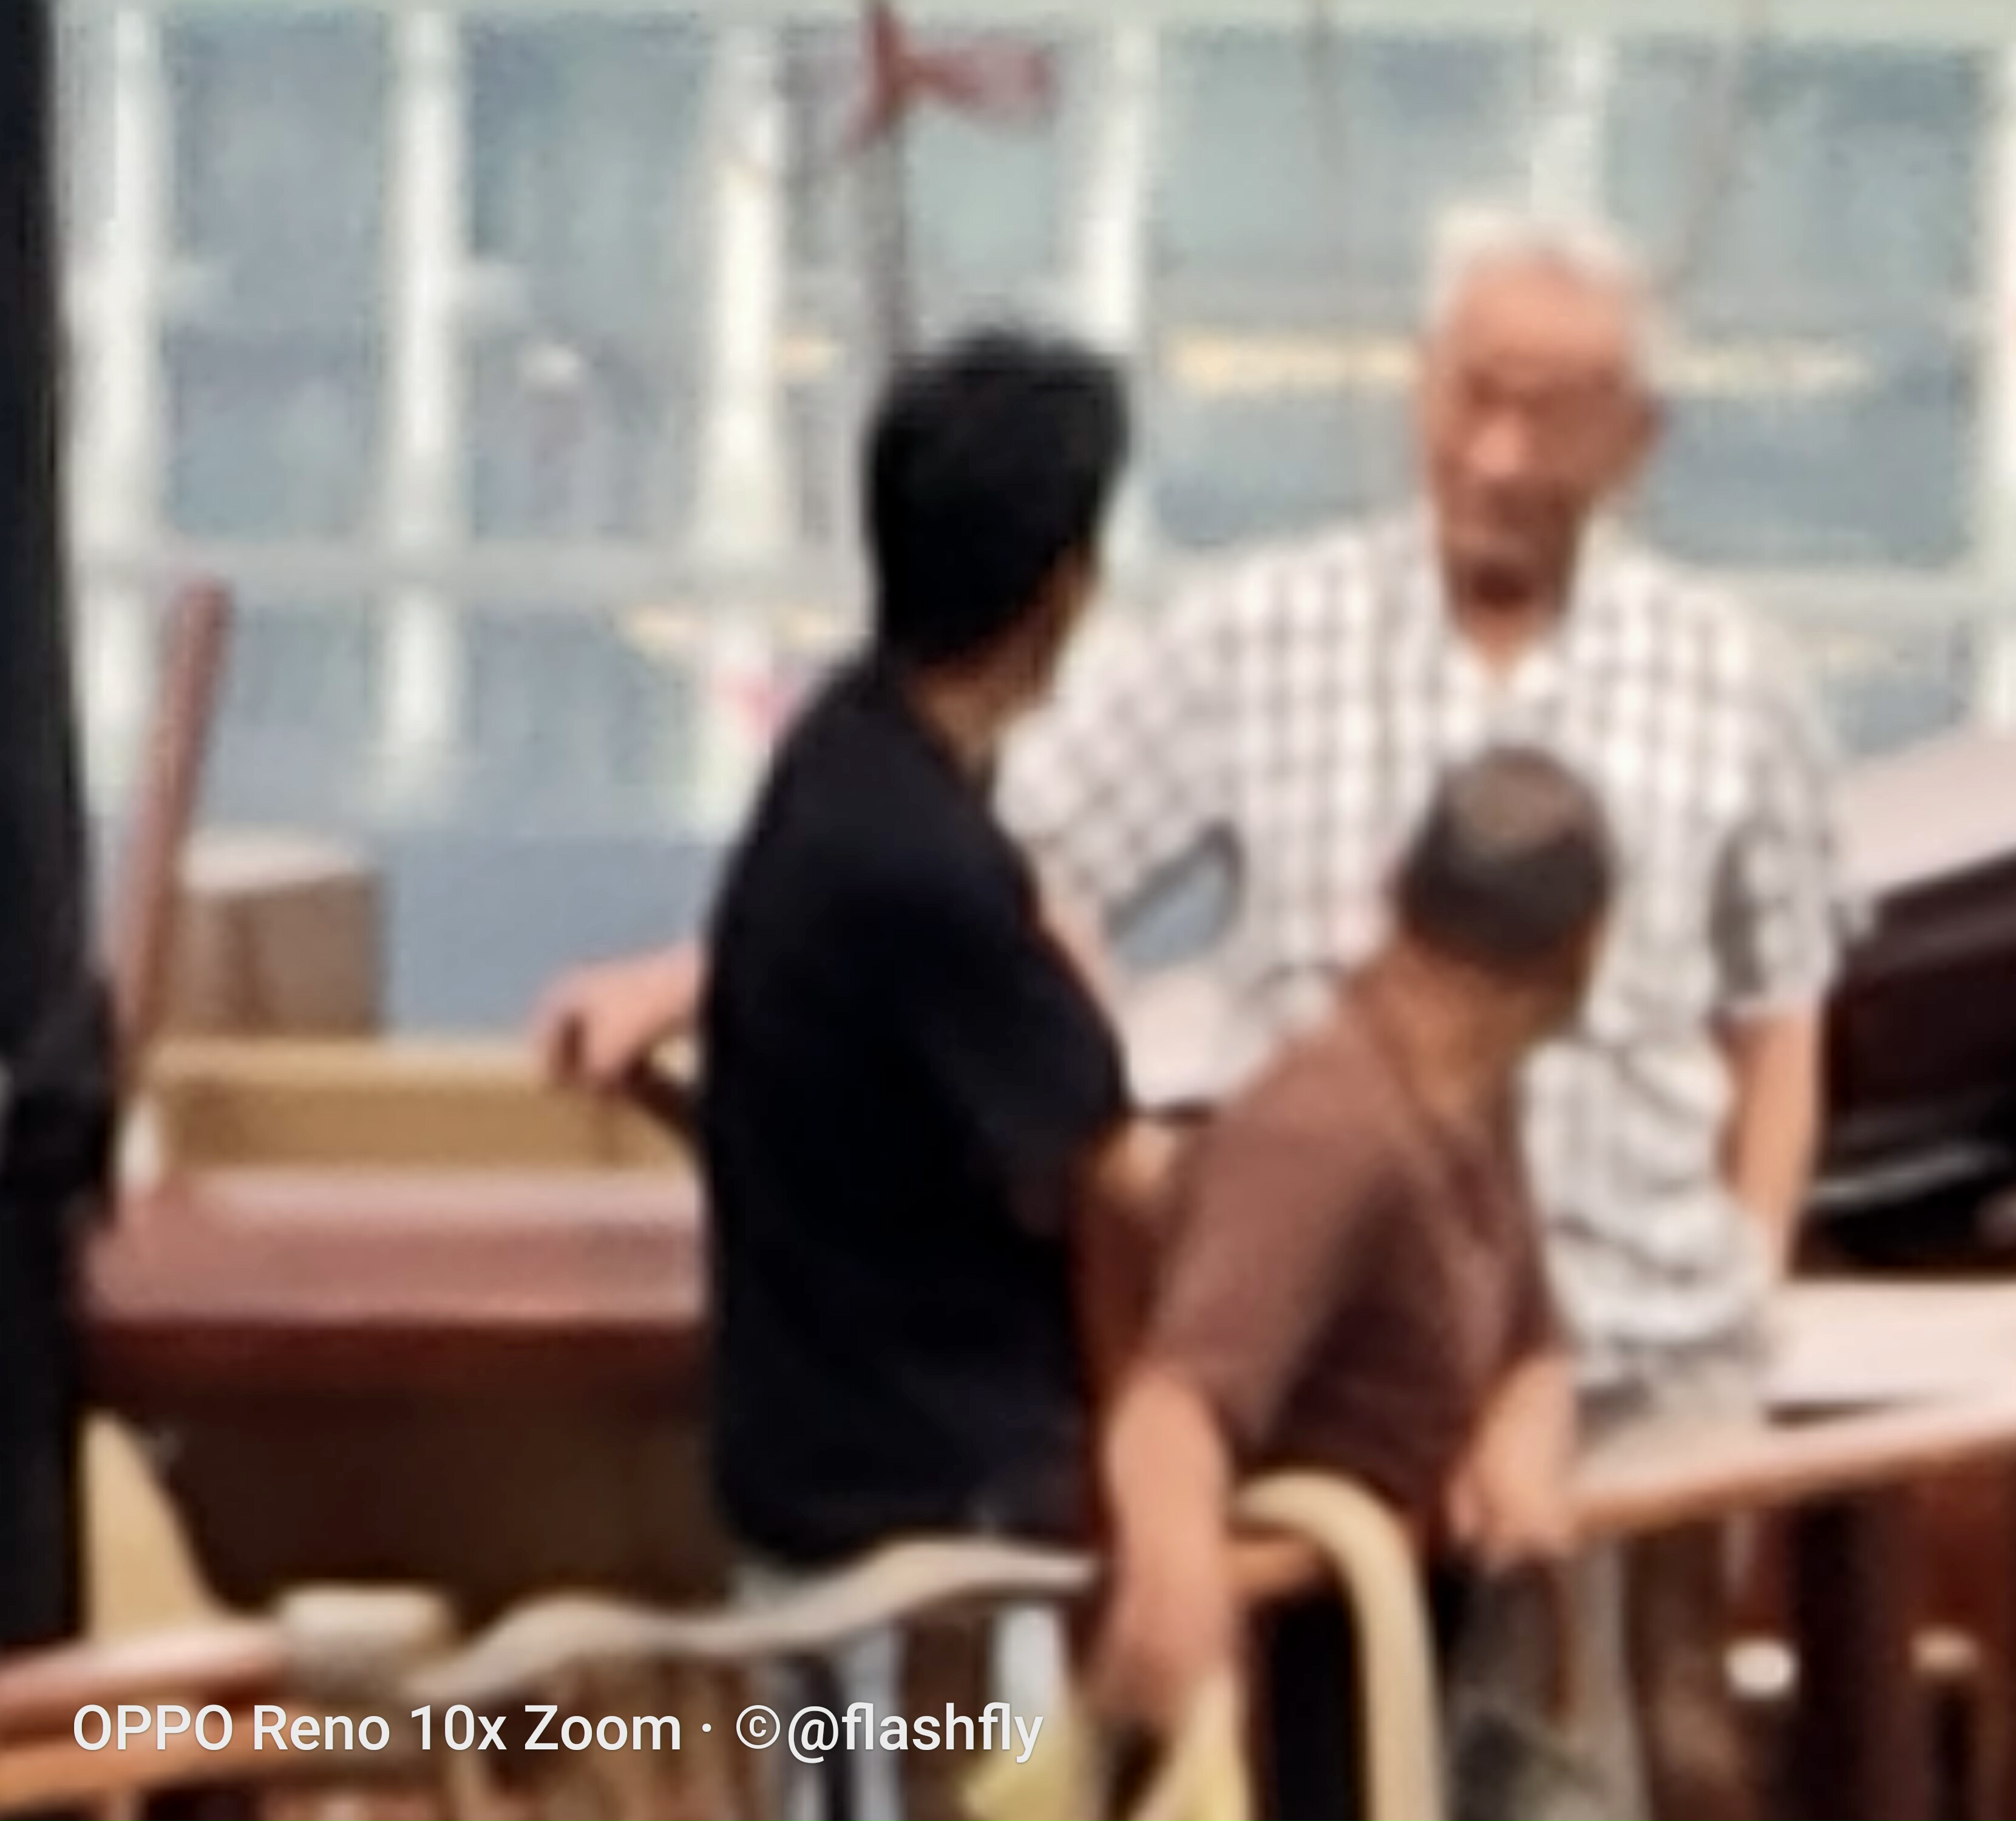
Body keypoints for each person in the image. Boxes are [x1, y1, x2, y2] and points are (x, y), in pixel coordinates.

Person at [538, 204, 1850, 1815]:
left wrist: (1735, 1294)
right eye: (1471, 396)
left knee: (1676, 1748)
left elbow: (1781, 1010)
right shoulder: (1250, 674)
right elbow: (1014, 875)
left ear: (1638, 439)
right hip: (1294, 1390)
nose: (1498, 454)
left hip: (1643, 1332)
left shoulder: (1728, 683)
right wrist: (707, 969)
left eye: (1551, 412)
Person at [699, 327, 1166, 1821]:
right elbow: (1108, 1168)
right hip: (914, 1528)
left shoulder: (843, 762)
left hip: (818, 1466)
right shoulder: (924, 863)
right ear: (1062, 588)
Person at [1093, 745, 1611, 1820]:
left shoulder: (1471, 1091)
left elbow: (1535, 1337)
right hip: (1305, 1674)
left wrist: (1519, 1433)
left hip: (1422, 1642)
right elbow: (1174, 1404)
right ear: (1584, 954)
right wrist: (1180, 1615)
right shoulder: (1323, 1128)